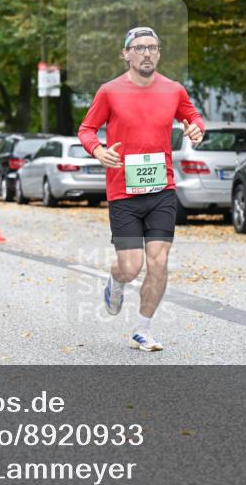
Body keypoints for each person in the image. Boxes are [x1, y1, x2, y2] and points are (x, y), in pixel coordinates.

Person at [77, 26, 204, 352]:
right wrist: (98, 151)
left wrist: (196, 129)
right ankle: (116, 281)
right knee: (131, 266)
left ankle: (142, 329)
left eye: (152, 47)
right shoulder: (110, 91)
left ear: (159, 53)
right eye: (139, 47)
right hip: (123, 193)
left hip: (162, 190)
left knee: (158, 262)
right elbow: (87, 129)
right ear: (126, 53)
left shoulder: (173, 90)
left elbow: (193, 116)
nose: (146, 52)